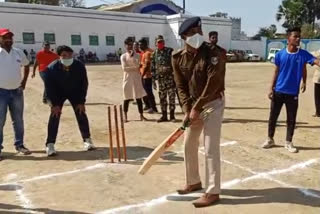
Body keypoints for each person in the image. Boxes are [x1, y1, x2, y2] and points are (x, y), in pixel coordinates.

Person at [172, 17, 226, 208]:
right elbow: (181, 86)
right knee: (189, 143)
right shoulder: (177, 57)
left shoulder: (215, 53)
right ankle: (193, 181)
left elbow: (213, 83)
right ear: (184, 37)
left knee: (210, 147)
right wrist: (187, 109)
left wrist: (196, 108)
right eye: (192, 33)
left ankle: (212, 192)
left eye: (198, 31)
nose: (197, 36)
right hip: (194, 106)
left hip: (213, 103)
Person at [262, 27, 320, 153]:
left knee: (291, 119)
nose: (298, 39)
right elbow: (276, 71)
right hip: (278, 91)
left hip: (292, 93)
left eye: (299, 36)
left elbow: (315, 61)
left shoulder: (303, 54)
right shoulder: (280, 55)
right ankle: (270, 139)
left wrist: (304, 81)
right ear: (288, 39)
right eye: (296, 36)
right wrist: (271, 88)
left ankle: (288, 142)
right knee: (273, 117)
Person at [43, 45, 95, 156]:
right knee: (55, 115)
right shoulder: (51, 68)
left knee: (81, 112)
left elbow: (84, 84)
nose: (68, 58)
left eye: (70, 55)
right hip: (57, 93)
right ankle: (50, 144)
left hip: (74, 92)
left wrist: (81, 101)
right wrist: (54, 104)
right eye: (65, 56)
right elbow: (49, 88)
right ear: (59, 56)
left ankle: (87, 140)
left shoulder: (79, 66)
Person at [0, 28, 32, 160]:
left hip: (17, 92)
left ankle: (20, 144)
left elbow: (26, 65)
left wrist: (23, 82)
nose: (8, 40)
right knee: (0, 121)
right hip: (0, 92)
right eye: (5, 37)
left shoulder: (18, 52)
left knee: (18, 120)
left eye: (10, 37)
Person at [120, 37, 147, 122]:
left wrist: (133, 59)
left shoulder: (138, 55)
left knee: (138, 97)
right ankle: (125, 116)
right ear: (125, 46)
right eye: (128, 45)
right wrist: (135, 67)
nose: (130, 47)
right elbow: (124, 68)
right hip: (127, 78)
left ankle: (141, 115)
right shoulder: (123, 56)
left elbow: (139, 66)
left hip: (136, 78)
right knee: (127, 97)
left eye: (131, 45)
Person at [151, 35, 176, 122]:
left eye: (162, 42)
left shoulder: (169, 51)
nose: (160, 43)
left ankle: (172, 116)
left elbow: (175, 63)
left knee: (172, 98)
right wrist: (153, 80)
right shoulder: (154, 54)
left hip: (170, 79)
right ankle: (164, 116)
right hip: (161, 80)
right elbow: (153, 68)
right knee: (162, 98)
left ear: (164, 42)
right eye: (158, 42)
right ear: (155, 43)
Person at [139, 38, 158, 113]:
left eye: (141, 45)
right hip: (145, 75)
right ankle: (149, 106)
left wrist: (142, 75)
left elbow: (147, 65)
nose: (140, 46)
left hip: (147, 76)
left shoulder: (148, 53)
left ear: (145, 44)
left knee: (148, 92)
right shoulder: (145, 52)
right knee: (145, 92)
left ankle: (153, 107)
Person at [312, 50, 320, 117]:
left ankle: (318, 112)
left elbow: (312, 56)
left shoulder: (318, 52)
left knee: (317, 96)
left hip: (318, 77)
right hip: (318, 77)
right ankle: (318, 111)